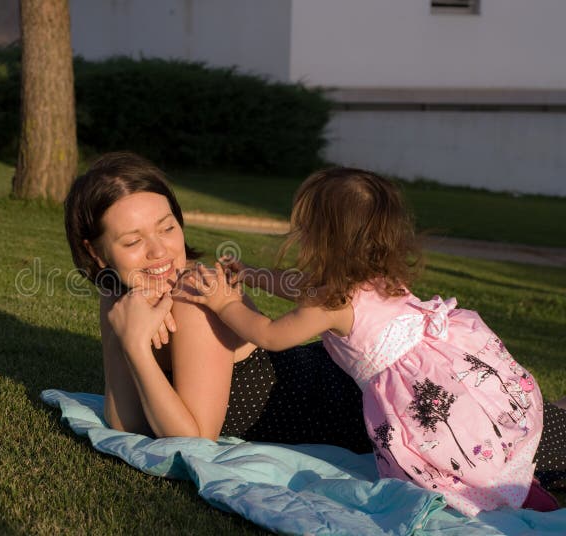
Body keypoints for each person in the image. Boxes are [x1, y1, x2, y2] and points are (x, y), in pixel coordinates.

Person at [186, 167, 563, 515]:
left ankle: (524, 502)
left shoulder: (331, 303)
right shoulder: (373, 278)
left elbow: (269, 335)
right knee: (474, 448)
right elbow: (297, 286)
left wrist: (224, 304)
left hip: (417, 397)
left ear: (325, 237)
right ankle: (523, 489)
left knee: (452, 463)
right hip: (442, 372)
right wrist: (250, 274)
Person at [64, 152, 372, 449]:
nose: (159, 251)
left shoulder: (194, 296)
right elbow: (127, 424)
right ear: (96, 253)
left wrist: (134, 346)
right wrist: (127, 337)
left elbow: (194, 442)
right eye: (133, 241)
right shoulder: (119, 296)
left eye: (167, 228)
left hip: (352, 401)